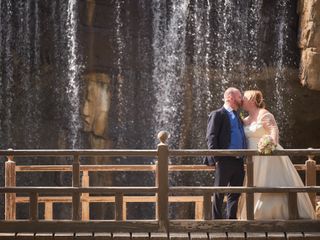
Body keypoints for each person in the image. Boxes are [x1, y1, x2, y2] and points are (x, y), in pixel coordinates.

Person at [237, 90, 316, 219]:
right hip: (253, 159)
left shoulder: (264, 114)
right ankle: (255, 215)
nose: (242, 101)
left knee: (270, 182)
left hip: (267, 156)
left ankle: (279, 215)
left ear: (251, 100)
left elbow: (274, 131)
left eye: (244, 98)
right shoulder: (246, 120)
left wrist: (270, 144)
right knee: (254, 184)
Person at [204, 87, 247, 219]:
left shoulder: (238, 117)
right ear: (230, 97)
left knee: (235, 193)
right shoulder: (218, 114)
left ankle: (231, 220)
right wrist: (217, 159)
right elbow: (211, 137)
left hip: (239, 160)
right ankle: (217, 222)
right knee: (219, 192)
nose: (242, 99)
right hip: (224, 159)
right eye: (240, 96)